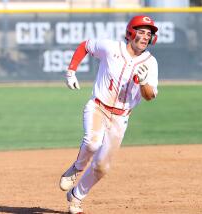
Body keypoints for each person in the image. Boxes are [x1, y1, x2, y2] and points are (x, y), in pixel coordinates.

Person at [58, 15, 159, 214]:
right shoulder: (112, 48)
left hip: (121, 118)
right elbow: (85, 45)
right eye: (141, 31)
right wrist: (71, 71)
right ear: (131, 32)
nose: (146, 36)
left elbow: (149, 96)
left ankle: (76, 196)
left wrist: (144, 81)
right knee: (92, 142)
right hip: (98, 106)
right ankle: (76, 168)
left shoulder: (151, 63)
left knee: (102, 167)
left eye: (149, 34)